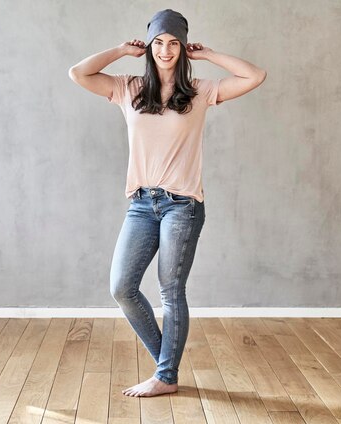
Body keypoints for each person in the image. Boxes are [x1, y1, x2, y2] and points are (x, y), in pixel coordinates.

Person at [68, 9, 266, 397]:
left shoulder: (200, 92)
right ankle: (168, 366)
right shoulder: (127, 88)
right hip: (141, 204)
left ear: (182, 48)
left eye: (174, 42)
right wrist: (120, 50)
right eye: (159, 42)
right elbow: (78, 73)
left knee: (170, 291)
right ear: (150, 46)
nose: (165, 49)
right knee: (122, 287)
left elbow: (254, 76)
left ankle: (165, 376)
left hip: (183, 205)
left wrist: (208, 54)